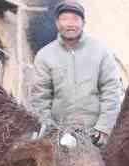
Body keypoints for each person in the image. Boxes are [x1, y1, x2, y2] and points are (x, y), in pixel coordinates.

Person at [30, 0, 122, 147]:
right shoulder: (45, 55)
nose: (70, 24)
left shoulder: (101, 51)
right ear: (57, 23)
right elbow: (40, 96)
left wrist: (104, 126)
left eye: (75, 19)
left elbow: (111, 90)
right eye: (64, 19)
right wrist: (49, 129)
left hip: (95, 134)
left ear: (83, 23)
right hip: (59, 135)